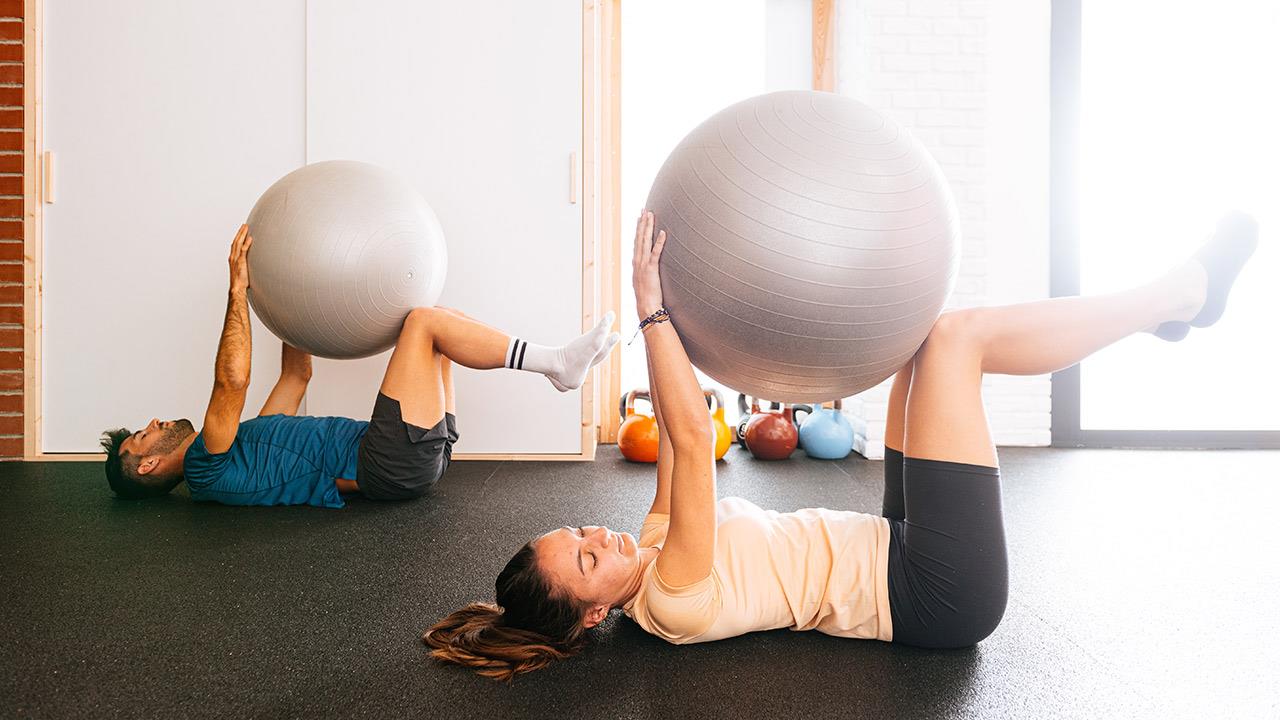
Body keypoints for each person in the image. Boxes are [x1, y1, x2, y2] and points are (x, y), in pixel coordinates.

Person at [425, 209, 1259, 680]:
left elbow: (686, 446)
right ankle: (1177, 297)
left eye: (576, 533)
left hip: (894, 543)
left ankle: (1171, 311)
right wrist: (650, 307)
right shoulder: (672, 598)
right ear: (596, 611)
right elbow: (686, 429)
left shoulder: (646, 550)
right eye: (584, 560)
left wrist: (685, 315)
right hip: (932, 594)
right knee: (960, 342)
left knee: (927, 341)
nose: (595, 537)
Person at [100, 224, 620, 507]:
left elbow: (296, 375)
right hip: (387, 463)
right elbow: (231, 380)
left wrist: (286, 295)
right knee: (422, 323)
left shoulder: (238, 445)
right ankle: (556, 363)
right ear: (148, 466)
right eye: (141, 439)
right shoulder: (205, 466)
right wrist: (236, 292)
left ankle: (558, 362)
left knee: (442, 319)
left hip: (409, 457)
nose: (153, 426)